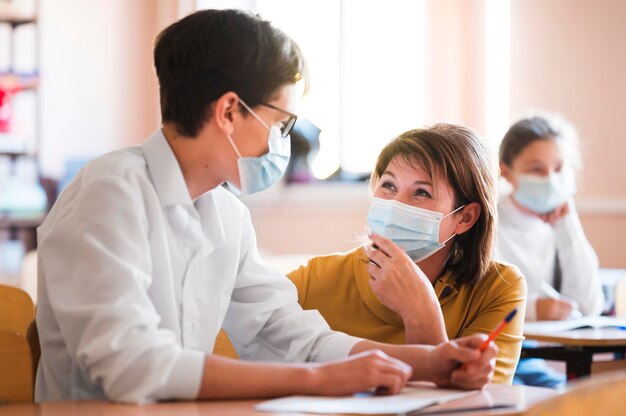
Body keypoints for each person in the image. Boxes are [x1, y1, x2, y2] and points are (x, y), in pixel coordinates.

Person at [35, 10, 496, 404]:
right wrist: (320, 381)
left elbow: (290, 335)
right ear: (230, 112)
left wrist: (427, 362)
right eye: (280, 122)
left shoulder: (226, 215)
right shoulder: (108, 193)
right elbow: (131, 367)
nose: (283, 141)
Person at [287, 124, 526, 384]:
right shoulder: (314, 278)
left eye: (421, 192)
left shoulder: (499, 288)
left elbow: (479, 405)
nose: (394, 204)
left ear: (465, 218)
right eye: (388, 185)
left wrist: (421, 313)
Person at [495, 112, 604, 387]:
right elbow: (472, 296)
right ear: (506, 172)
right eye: (536, 169)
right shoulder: (488, 222)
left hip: (534, 361)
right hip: (497, 357)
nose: (551, 179)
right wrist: (533, 308)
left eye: (558, 169)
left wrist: (569, 226)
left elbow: (589, 306)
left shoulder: (558, 227)